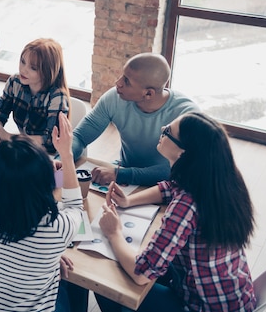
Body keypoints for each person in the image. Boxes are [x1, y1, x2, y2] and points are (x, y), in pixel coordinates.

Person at [96, 112, 256, 312]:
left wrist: (114, 233)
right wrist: (128, 201)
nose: (162, 130)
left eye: (168, 132)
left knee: (106, 284)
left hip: (202, 306)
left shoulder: (186, 205)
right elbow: (170, 188)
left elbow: (141, 273)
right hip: (235, 296)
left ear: (182, 153)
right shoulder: (220, 179)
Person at [0, 113, 88, 312]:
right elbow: (75, 206)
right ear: (45, 182)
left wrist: (47, 254)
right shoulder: (57, 228)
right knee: (73, 288)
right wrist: (66, 155)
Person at [71, 52, 199, 186]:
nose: (118, 83)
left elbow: (180, 168)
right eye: (122, 75)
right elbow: (80, 136)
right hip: (124, 175)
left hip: (166, 186)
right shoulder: (115, 97)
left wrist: (120, 174)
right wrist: (65, 157)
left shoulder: (187, 115)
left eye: (126, 81)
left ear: (148, 93)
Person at [0, 38, 70, 154]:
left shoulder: (57, 96)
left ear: (47, 72)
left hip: (48, 157)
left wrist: (9, 137)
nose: (23, 70)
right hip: (25, 150)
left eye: (33, 68)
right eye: (23, 62)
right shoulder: (15, 82)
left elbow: (51, 141)